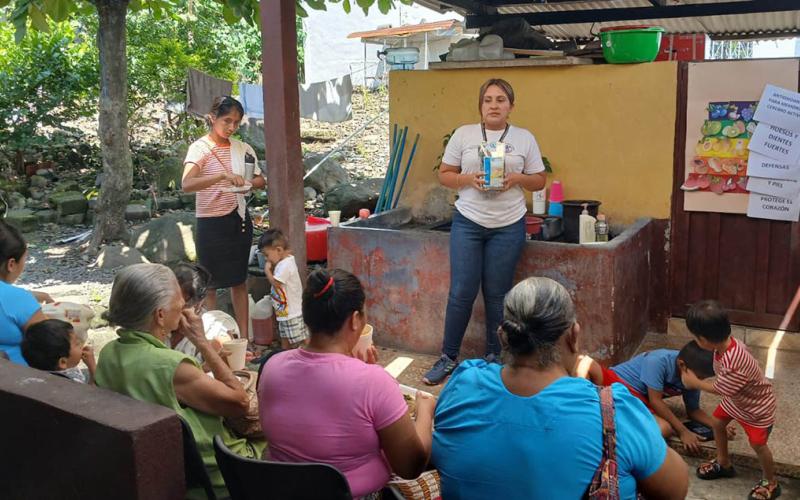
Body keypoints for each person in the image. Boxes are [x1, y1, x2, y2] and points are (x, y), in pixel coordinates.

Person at [432, 277, 688, 500]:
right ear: (573, 337)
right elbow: (675, 491)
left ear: (502, 337)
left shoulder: (462, 384)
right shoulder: (612, 412)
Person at [258, 269, 434, 498]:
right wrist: (425, 412)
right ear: (354, 320)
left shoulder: (272, 367)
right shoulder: (374, 382)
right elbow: (410, 466)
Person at [94, 263, 265, 496]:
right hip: (217, 474)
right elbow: (240, 402)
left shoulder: (108, 355)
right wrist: (201, 341)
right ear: (160, 315)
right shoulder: (171, 366)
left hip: (158, 466)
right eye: (179, 304)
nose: (184, 308)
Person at [423, 78, 547, 385]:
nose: (494, 105)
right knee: (461, 292)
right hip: (468, 221)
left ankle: (495, 357)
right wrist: (469, 180)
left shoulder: (524, 138)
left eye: (501, 100)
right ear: (480, 105)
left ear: (511, 106)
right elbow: (445, 175)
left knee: (497, 295)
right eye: (488, 99)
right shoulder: (464, 134)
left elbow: (540, 179)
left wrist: (517, 176)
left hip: (508, 224)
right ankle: (448, 357)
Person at [181, 96, 265, 339]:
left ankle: (244, 338)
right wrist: (221, 178)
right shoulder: (201, 148)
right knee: (210, 285)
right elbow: (187, 183)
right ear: (212, 118)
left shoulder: (242, 148)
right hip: (210, 223)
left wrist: (248, 183)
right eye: (227, 121)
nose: (231, 127)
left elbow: (260, 179)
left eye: (236, 123)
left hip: (237, 221)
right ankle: (215, 338)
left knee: (239, 281)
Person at [682, 300, 779, 500]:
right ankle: (723, 463)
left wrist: (695, 382)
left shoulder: (735, 359)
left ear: (704, 340)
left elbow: (721, 388)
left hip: (756, 407)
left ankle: (771, 482)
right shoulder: (724, 347)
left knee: (758, 445)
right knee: (718, 422)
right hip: (736, 400)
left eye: (696, 338)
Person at [577, 341, 721, 451]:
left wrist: (717, 426)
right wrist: (683, 431)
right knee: (587, 364)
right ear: (682, 365)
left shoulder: (691, 379)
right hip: (618, 383)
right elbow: (656, 401)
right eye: (699, 377)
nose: (700, 382)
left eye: (703, 379)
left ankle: (617, 440)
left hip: (640, 400)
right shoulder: (658, 360)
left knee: (664, 429)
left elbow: (693, 411)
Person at [0, 220, 48, 365]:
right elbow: (49, 345)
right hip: (16, 381)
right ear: (11, 264)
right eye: (25, 259)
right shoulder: (18, 298)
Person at [171, 262, 237, 364]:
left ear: (198, 304)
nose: (176, 309)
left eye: (185, 304)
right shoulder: (157, 323)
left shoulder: (213, 331)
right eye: (171, 301)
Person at [259, 229, 307, 349]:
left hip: (292, 314)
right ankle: (285, 358)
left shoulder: (286, 265)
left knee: (300, 342)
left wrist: (267, 271)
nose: (266, 259)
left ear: (279, 250)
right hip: (285, 313)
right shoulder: (283, 263)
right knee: (286, 341)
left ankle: (311, 359)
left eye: (267, 255)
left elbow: (276, 283)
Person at [21, 319, 96, 383]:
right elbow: (92, 393)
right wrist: (92, 367)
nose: (80, 343)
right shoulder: (72, 382)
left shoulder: (33, 376)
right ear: (63, 362)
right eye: (76, 343)